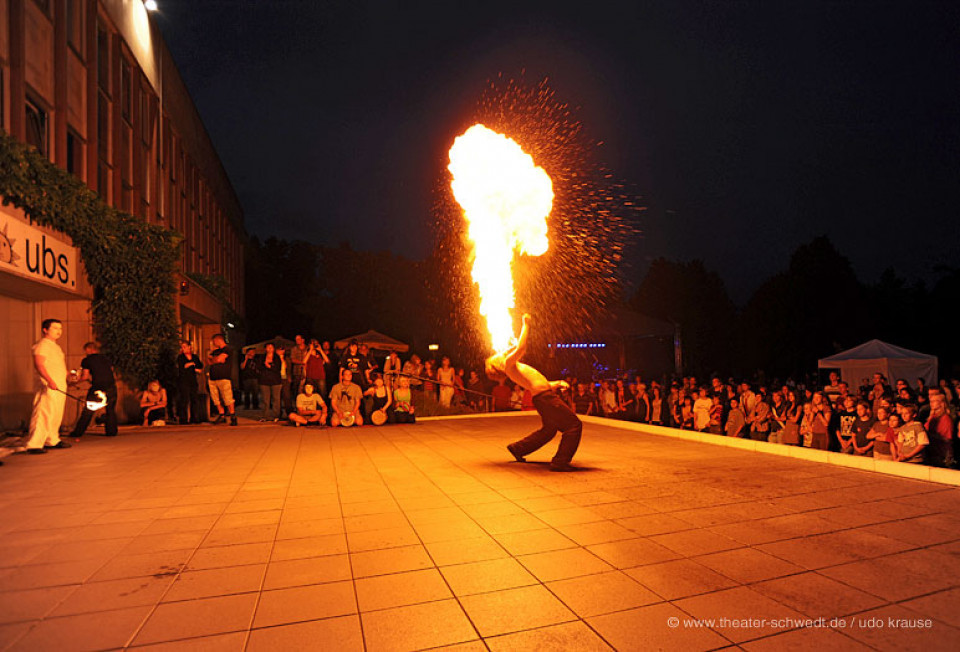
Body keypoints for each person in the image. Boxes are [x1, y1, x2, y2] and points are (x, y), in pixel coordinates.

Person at [487, 314, 583, 472]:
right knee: (573, 425)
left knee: (549, 430)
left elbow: (539, 384)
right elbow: (522, 347)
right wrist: (525, 325)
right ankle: (560, 461)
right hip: (545, 399)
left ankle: (518, 448)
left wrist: (557, 383)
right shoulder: (508, 364)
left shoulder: (515, 366)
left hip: (543, 397)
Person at [26, 319, 71, 454]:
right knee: (43, 413)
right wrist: (49, 380)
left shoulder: (55, 346)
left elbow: (57, 366)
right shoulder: (42, 345)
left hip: (59, 385)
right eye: (55, 328)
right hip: (48, 385)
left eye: (60, 328)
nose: (58, 331)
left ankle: (52, 440)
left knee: (56, 413)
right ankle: (34, 444)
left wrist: (70, 375)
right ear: (45, 330)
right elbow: (39, 364)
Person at [70, 342, 119, 438]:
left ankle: (78, 432)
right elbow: (111, 371)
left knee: (89, 409)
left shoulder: (87, 360)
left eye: (86, 350)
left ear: (89, 349)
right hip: (111, 386)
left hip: (97, 387)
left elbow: (84, 376)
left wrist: (72, 383)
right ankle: (111, 432)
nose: (85, 352)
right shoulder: (106, 358)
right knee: (110, 410)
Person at [207, 333, 237, 426]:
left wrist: (214, 359)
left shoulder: (228, 349)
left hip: (224, 376)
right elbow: (208, 360)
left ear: (218, 340)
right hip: (213, 377)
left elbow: (218, 359)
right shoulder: (215, 351)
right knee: (215, 398)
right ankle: (221, 414)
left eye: (214, 341)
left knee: (227, 397)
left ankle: (232, 415)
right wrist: (214, 359)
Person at [175, 340, 204, 424]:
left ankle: (194, 418)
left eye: (185, 347)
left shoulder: (195, 357)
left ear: (189, 347)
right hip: (184, 381)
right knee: (184, 399)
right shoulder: (181, 357)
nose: (183, 349)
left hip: (193, 380)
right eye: (182, 347)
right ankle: (183, 419)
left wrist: (197, 369)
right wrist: (191, 364)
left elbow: (200, 366)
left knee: (194, 399)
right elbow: (183, 367)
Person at [925, 392, 955, 467]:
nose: (931, 403)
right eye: (930, 401)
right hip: (933, 452)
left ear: (941, 403)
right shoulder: (933, 416)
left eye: (934, 401)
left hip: (942, 454)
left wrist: (929, 435)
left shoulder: (945, 418)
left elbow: (948, 439)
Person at [258, 343, 284, 421]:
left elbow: (278, 368)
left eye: (271, 347)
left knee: (276, 399)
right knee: (265, 400)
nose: (269, 349)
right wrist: (264, 365)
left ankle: (276, 415)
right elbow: (258, 367)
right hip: (264, 381)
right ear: (265, 349)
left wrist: (269, 366)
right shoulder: (262, 357)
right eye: (268, 347)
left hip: (275, 381)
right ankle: (264, 416)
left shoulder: (276, 357)